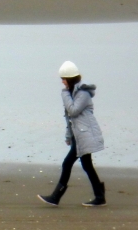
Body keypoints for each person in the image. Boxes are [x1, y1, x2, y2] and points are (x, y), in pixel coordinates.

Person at [38, 60, 107, 207]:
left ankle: (56, 196)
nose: (62, 82)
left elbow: (73, 111)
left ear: (70, 79)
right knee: (87, 165)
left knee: (67, 163)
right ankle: (100, 196)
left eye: (64, 79)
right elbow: (69, 118)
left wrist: (64, 95)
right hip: (78, 136)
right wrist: (68, 136)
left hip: (85, 136)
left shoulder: (82, 94)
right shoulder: (71, 93)